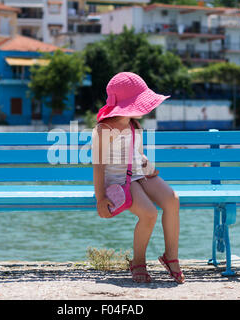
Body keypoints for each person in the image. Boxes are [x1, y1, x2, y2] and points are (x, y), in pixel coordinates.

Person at [91, 72, 185, 284]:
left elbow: (137, 154)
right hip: (119, 181)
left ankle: (170, 256)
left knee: (172, 200)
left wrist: (148, 166)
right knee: (149, 214)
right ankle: (138, 261)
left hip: (139, 174)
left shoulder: (134, 125)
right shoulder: (104, 129)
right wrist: (100, 198)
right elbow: (98, 167)